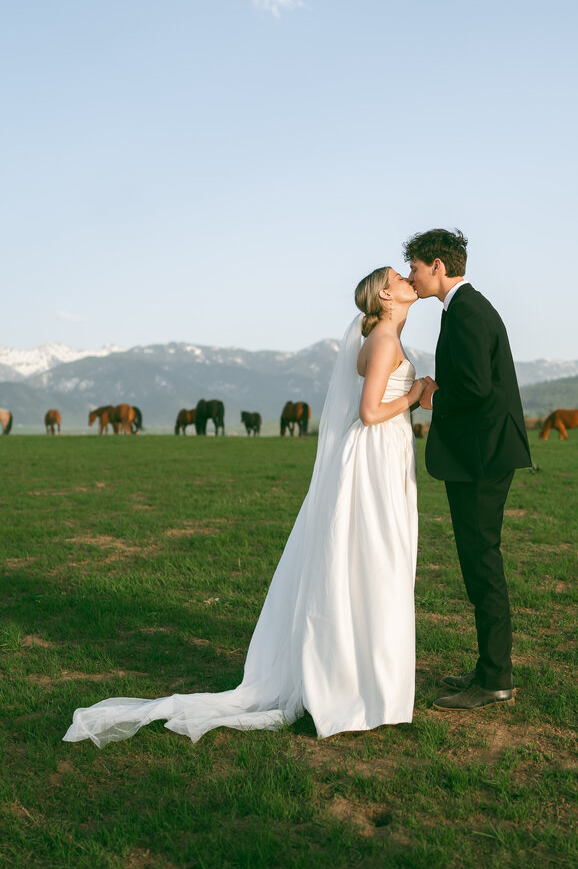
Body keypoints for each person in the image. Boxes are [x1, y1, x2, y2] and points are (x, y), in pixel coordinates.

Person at [64, 268, 429, 746]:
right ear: (385, 294)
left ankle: (364, 679)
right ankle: (362, 687)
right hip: (375, 455)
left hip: (375, 457)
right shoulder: (383, 341)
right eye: (399, 276)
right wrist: (416, 393)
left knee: (365, 563)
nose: (408, 279)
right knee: (377, 562)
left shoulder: (382, 337)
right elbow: (369, 412)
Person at [404, 229, 532, 710]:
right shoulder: (463, 308)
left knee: (483, 566)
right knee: (478, 564)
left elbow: (478, 390)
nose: (412, 277)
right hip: (482, 454)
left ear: (438, 265)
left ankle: (496, 679)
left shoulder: (467, 313)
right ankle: (487, 668)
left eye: (416, 267)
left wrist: (433, 395)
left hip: (482, 458)